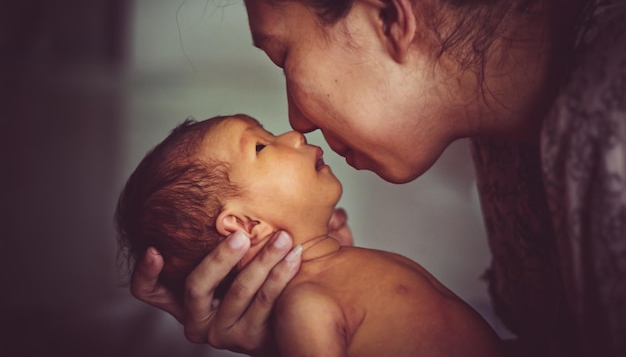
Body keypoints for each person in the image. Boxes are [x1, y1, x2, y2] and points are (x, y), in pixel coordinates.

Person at [129, 0, 626, 356]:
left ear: (387, 12)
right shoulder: (506, 145)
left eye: (284, 56)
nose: (298, 124)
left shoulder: (610, 121)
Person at [116, 114, 505, 357]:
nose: (293, 135)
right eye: (261, 145)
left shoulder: (338, 269)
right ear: (246, 227)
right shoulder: (306, 307)